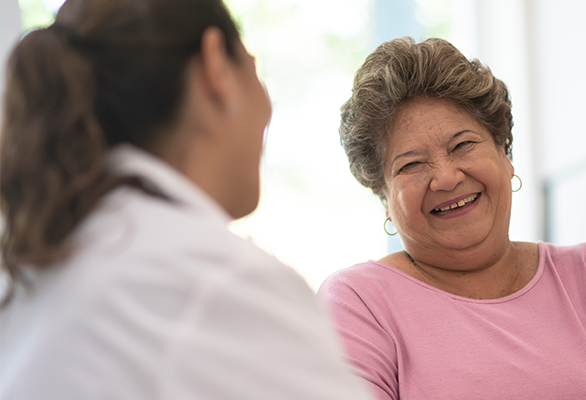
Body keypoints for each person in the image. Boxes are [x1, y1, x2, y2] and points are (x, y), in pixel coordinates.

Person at [0, 0, 370, 399]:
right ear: (216, 68)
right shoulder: (214, 281)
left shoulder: (40, 269)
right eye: (252, 66)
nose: (267, 106)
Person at [318, 37, 586, 400]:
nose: (447, 177)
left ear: (504, 154)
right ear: (385, 197)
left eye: (463, 145)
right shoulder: (358, 302)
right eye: (412, 165)